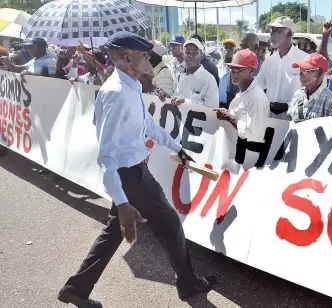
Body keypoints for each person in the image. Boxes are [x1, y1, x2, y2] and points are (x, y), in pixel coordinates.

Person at [57, 32, 216, 308]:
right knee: (170, 224)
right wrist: (121, 203)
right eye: (144, 54)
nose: (149, 58)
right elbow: (106, 155)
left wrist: (176, 146)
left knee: (114, 233)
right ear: (128, 58)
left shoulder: (130, 85)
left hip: (131, 174)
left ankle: (76, 288)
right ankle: (188, 284)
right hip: (132, 176)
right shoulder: (116, 93)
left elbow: (147, 125)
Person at [257, 16, 308, 119]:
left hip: (294, 122)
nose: (271, 34)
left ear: (289, 34)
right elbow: (257, 85)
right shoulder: (269, 61)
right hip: (270, 121)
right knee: (268, 136)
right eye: (271, 30)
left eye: (277, 30)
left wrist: (287, 106)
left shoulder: (304, 60)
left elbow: (311, 95)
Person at [215, 49, 269, 142]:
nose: (233, 73)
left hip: (246, 154)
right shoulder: (243, 92)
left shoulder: (257, 97)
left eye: (239, 70)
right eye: (232, 69)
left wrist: (230, 118)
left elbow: (255, 135)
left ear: (251, 71)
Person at [287, 53, 332, 122]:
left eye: (305, 70)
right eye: (300, 69)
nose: (300, 73)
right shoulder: (297, 95)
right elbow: (289, 122)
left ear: (319, 73)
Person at [172, 38, 219, 108]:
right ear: (183, 54)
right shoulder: (179, 75)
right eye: (188, 53)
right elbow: (175, 95)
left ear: (202, 56)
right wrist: (168, 97)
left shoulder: (209, 79)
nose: (190, 56)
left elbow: (213, 109)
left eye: (195, 53)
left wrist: (186, 102)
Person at [219, 33, 262, 109]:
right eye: (241, 46)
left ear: (256, 47)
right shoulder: (236, 63)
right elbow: (230, 91)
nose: (242, 49)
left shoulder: (263, 68)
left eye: (245, 46)